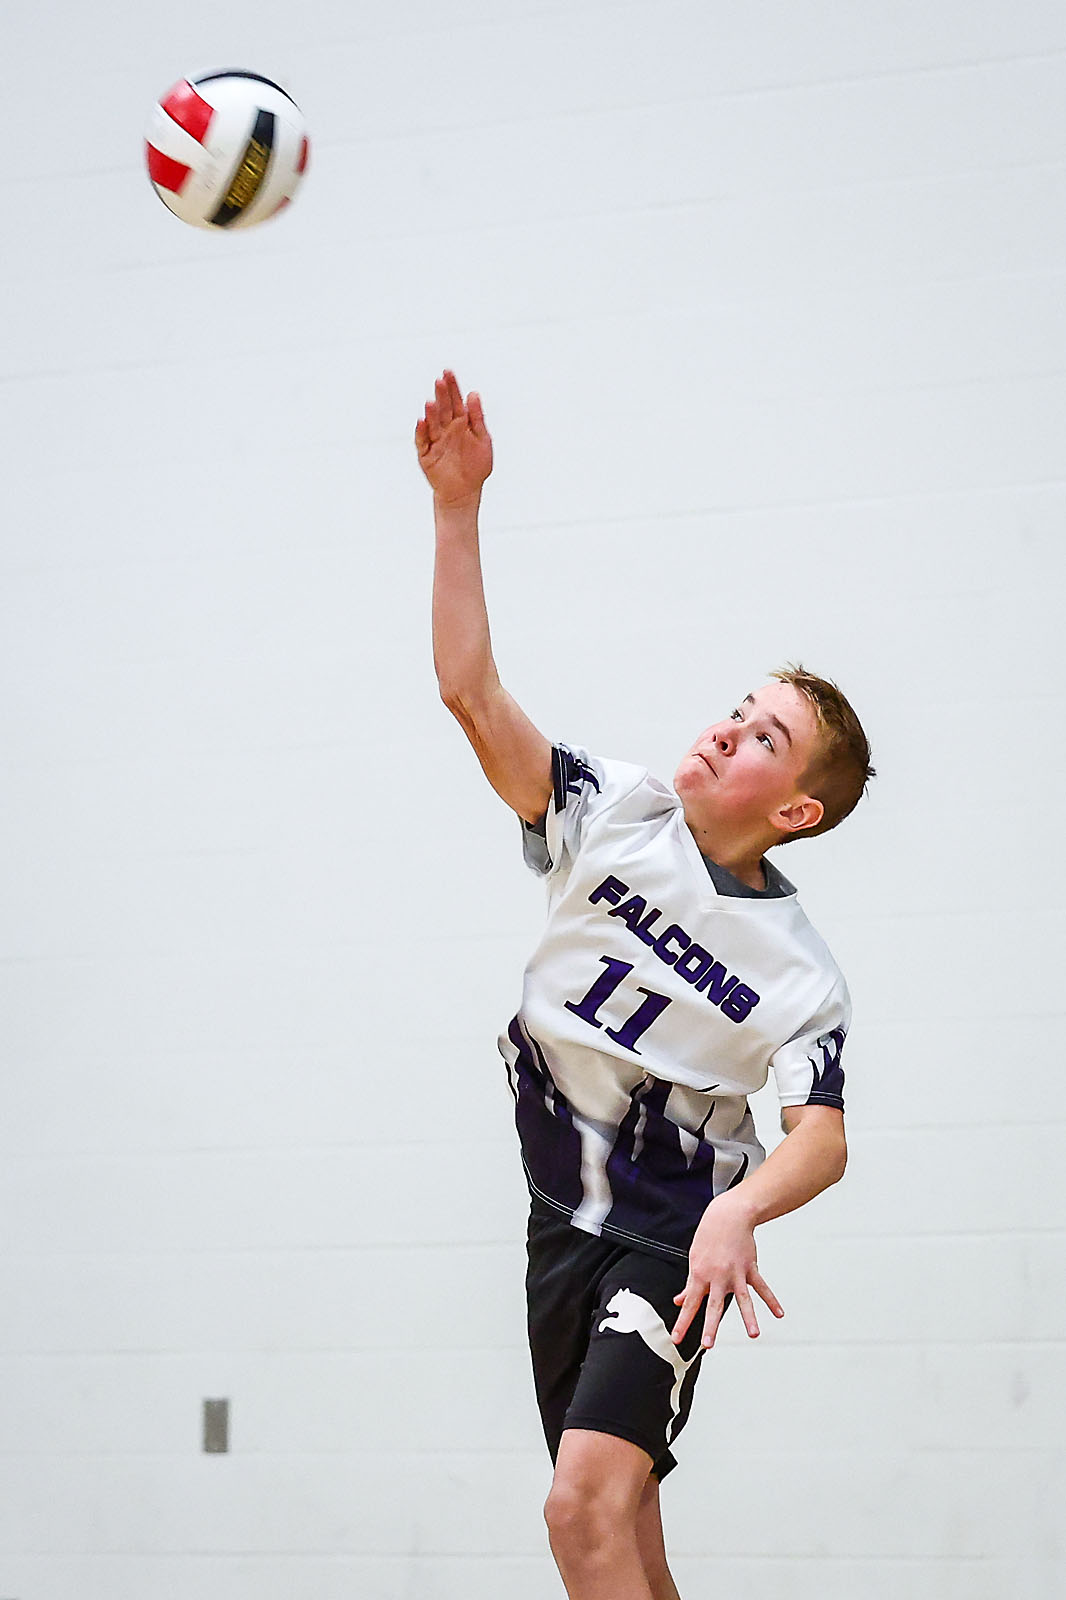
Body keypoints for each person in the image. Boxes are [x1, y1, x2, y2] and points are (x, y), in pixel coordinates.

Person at [415, 370, 875, 1600]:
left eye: (763, 736)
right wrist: (457, 509)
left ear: (792, 809)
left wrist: (737, 1212)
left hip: (666, 1238)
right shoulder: (610, 811)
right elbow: (471, 692)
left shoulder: (799, 972)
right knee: (627, 1539)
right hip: (556, 1218)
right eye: (738, 708)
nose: (728, 728)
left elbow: (820, 1140)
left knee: (579, 1511)